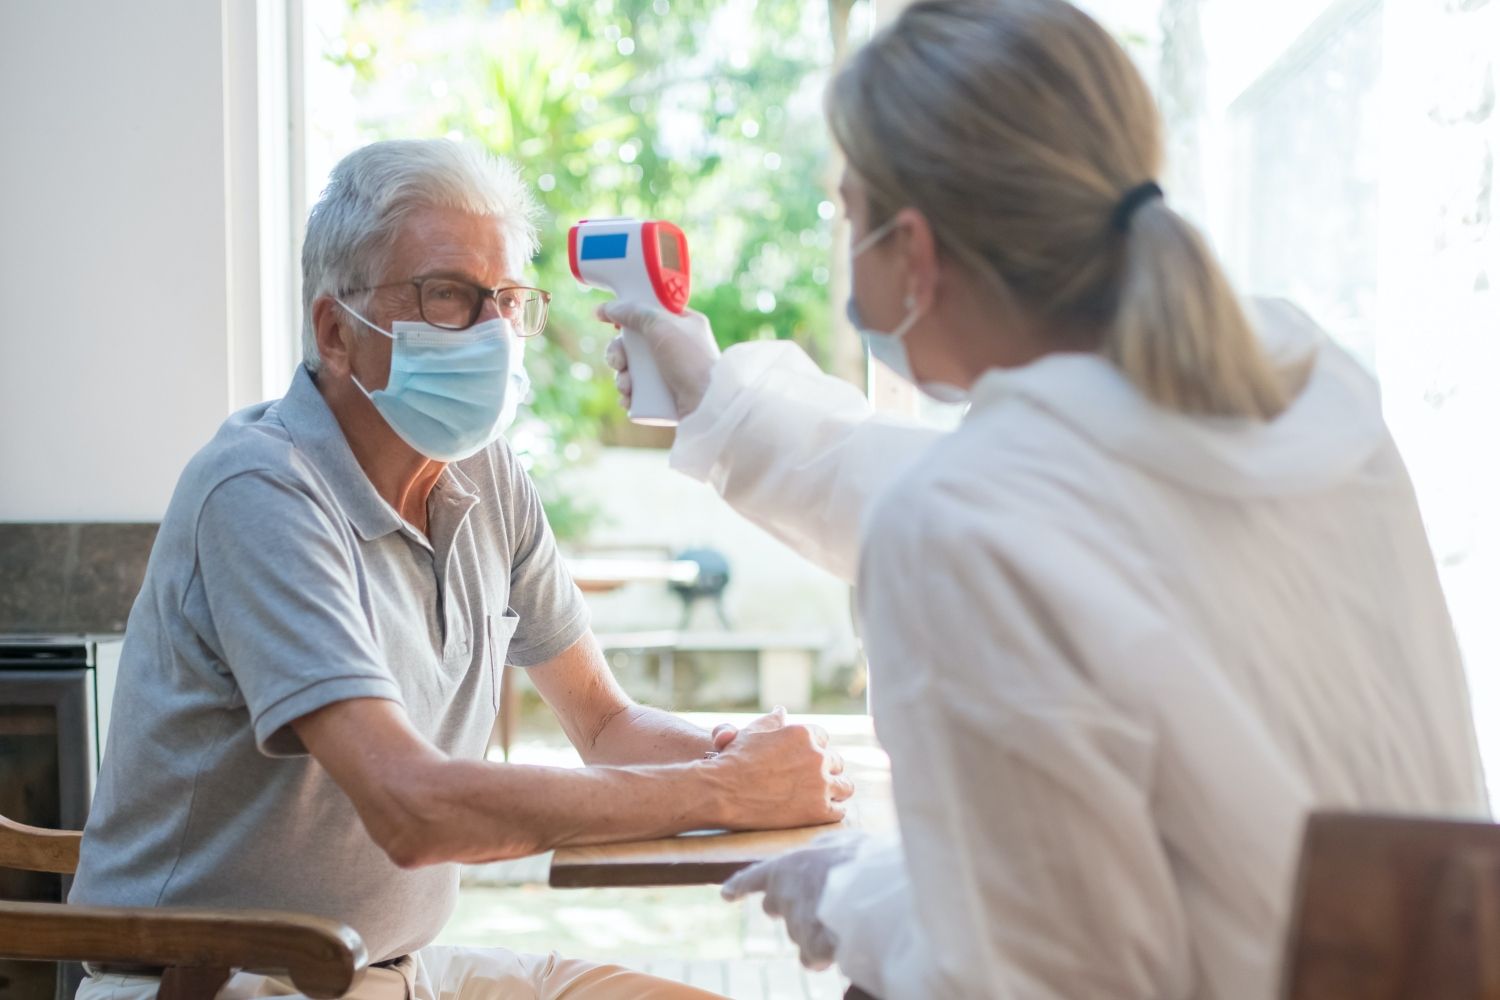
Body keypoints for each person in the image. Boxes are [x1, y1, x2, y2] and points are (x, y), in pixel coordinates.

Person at [596, 1, 1491, 996]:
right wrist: (718, 400)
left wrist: (858, 906)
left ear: (916, 251)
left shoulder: (970, 523)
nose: (846, 254)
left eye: (846, 216)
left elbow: (1027, 978)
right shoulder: (1311, 395)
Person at [69, 138, 852, 1000]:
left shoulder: (486, 475)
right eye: (449, 297)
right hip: (222, 984)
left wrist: (751, 759)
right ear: (337, 331)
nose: (492, 335)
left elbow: (606, 730)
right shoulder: (260, 489)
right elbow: (413, 807)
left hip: (391, 971)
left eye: (509, 302)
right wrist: (723, 790)